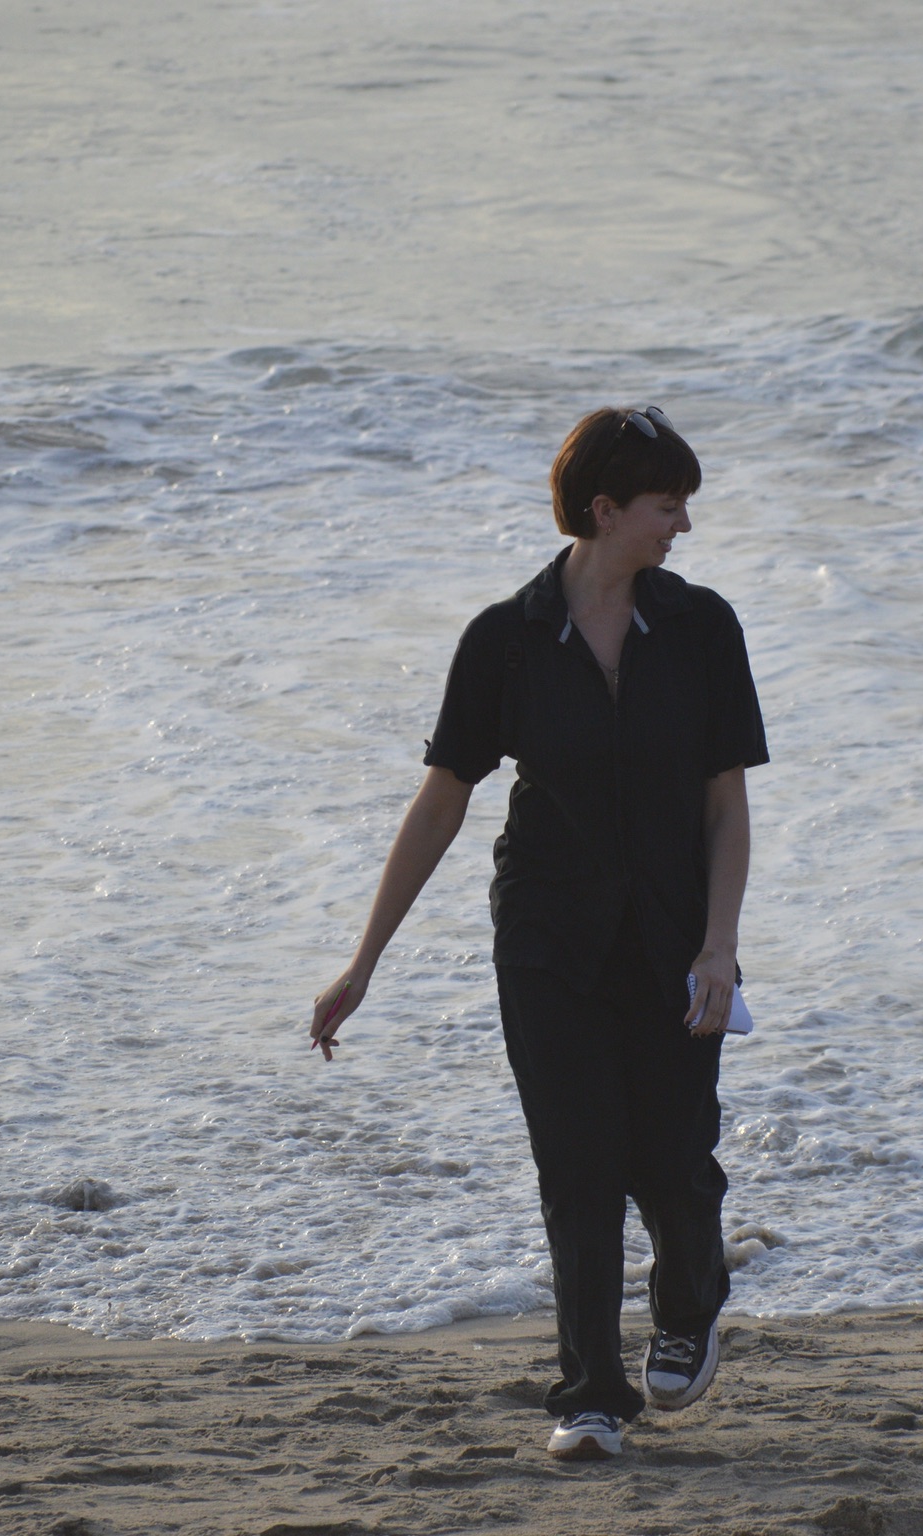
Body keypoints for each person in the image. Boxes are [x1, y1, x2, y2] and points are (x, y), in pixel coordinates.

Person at [309, 405, 769, 1462]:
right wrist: (365, 958)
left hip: (672, 936)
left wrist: (715, 943)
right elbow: (441, 803)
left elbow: (726, 806)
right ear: (604, 512)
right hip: (547, 939)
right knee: (577, 1168)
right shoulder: (505, 641)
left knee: (674, 1167)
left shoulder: (702, 629)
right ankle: (591, 1395)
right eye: (666, 507)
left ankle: (692, 1305)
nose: (682, 527)